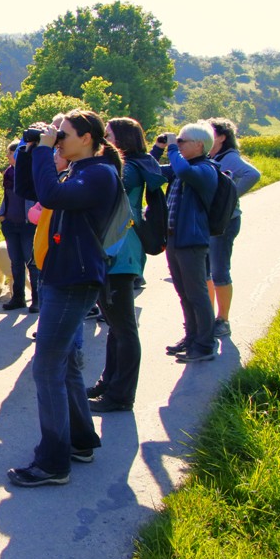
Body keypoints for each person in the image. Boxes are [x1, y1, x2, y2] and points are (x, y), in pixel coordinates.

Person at [7, 110, 119, 487]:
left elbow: (51, 194)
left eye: (65, 135)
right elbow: (29, 191)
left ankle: (53, 462)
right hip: (65, 274)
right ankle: (81, 441)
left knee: (47, 368)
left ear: (87, 137)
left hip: (73, 278)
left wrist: (45, 149)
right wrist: (29, 150)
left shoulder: (99, 173)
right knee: (66, 364)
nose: (60, 140)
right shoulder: (78, 170)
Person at [87, 118, 166, 413]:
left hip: (121, 250)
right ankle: (109, 383)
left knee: (124, 327)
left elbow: (106, 188)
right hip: (119, 247)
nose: (102, 140)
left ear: (122, 139)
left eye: (107, 135)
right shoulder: (134, 164)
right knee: (115, 325)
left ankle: (121, 396)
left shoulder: (128, 169)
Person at [159, 123, 219, 362]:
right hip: (175, 239)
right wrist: (158, 148)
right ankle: (192, 337)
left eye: (182, 141)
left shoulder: (206, 169)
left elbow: (183, 172)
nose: (178, 145)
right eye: (178, 141)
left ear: (200, 145)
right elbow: (154, 171)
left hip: (192, 241)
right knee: (184, 293)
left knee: (197, 294)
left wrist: (172, 149)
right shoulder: (183, 167)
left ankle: (205, 344)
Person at [206, 117, 261, 342]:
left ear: (221, 137)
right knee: (206, 271)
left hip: (225, 222)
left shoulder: (229, 158)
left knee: (219, 271)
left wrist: (231, 197)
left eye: (210, 132)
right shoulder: (212, 157)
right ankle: (208, 317)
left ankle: (223, 320)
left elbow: (253, 174)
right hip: (211, 221)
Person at [0, 141, 39, 313]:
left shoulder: (31, 172)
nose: (7, 156)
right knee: (15, 263)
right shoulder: (8, 173)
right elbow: (7, 197)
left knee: (32, 263)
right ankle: (18, 297)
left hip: (28, 224)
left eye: (10, 152)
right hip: (11, 223)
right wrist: (2, 215)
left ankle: (37, 299)